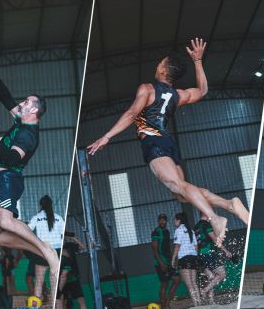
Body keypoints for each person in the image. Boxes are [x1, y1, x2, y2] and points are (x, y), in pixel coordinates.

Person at [86, 38, 249, 246]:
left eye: (160, 63)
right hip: (168, 143)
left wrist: (107, 136)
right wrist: (198, 61)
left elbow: (131, 114)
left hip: (153, 142)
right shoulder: (178, 95)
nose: (157, 65)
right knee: (180, 193)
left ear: (163, 71)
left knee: (177, 185)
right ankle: (229, 205)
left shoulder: (147, 89)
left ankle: (214, 218)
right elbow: (203, 91)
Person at [0, 61, 60, 290]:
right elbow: (7, 99)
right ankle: (41, 250)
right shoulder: (21, 120)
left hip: (8, 179)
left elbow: (13, 159)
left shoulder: (28, 135)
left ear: (33, 110)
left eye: (26, 102)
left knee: (5, 221)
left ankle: (44, 248)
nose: (20, 104)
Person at [27, 195, 65, 304]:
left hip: (42, 251)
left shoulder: (36, 217)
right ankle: (53, 307)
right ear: (51, 205)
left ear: (40, 205)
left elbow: (27, 232)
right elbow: (63, 236)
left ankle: (35, 307)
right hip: (56, 251)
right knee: (54, 284)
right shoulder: (58, 217)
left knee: (39, 281)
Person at [195, 213, 232, 304]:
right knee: (221, 274)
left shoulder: (196, 226)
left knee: (211, 277)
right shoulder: (207, 224)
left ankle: (211, 300)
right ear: (205, 213)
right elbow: (215, 239)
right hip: (209, 253)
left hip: (200, 255)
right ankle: (204, 290)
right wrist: (225, 251)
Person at [151, 213, 180, 309]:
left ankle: (167, 304)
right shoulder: (156, 232)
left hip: (168, 261)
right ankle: (163, 307)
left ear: (166, 221)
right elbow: (155, 250)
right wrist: (161, 263)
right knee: (165, 284)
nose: (162, 221)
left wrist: (173, 259)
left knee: (177, 280)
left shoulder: (167, 231)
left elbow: (167, 248)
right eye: (160, 220)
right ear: (158, 221)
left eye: (164, 220)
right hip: (160, 262)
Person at [171, 212, 201, 307]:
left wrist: (173, 258)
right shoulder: (190, 230)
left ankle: (196, 304)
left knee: (189, 284)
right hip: (193, 257)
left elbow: (177, 246)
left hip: (184, 258)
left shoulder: (178, 230)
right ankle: (199, 302)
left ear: (179, 220)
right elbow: (196, 246)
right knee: (194, 282)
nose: (174, 221)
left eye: (175, 220)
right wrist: (195, 257)